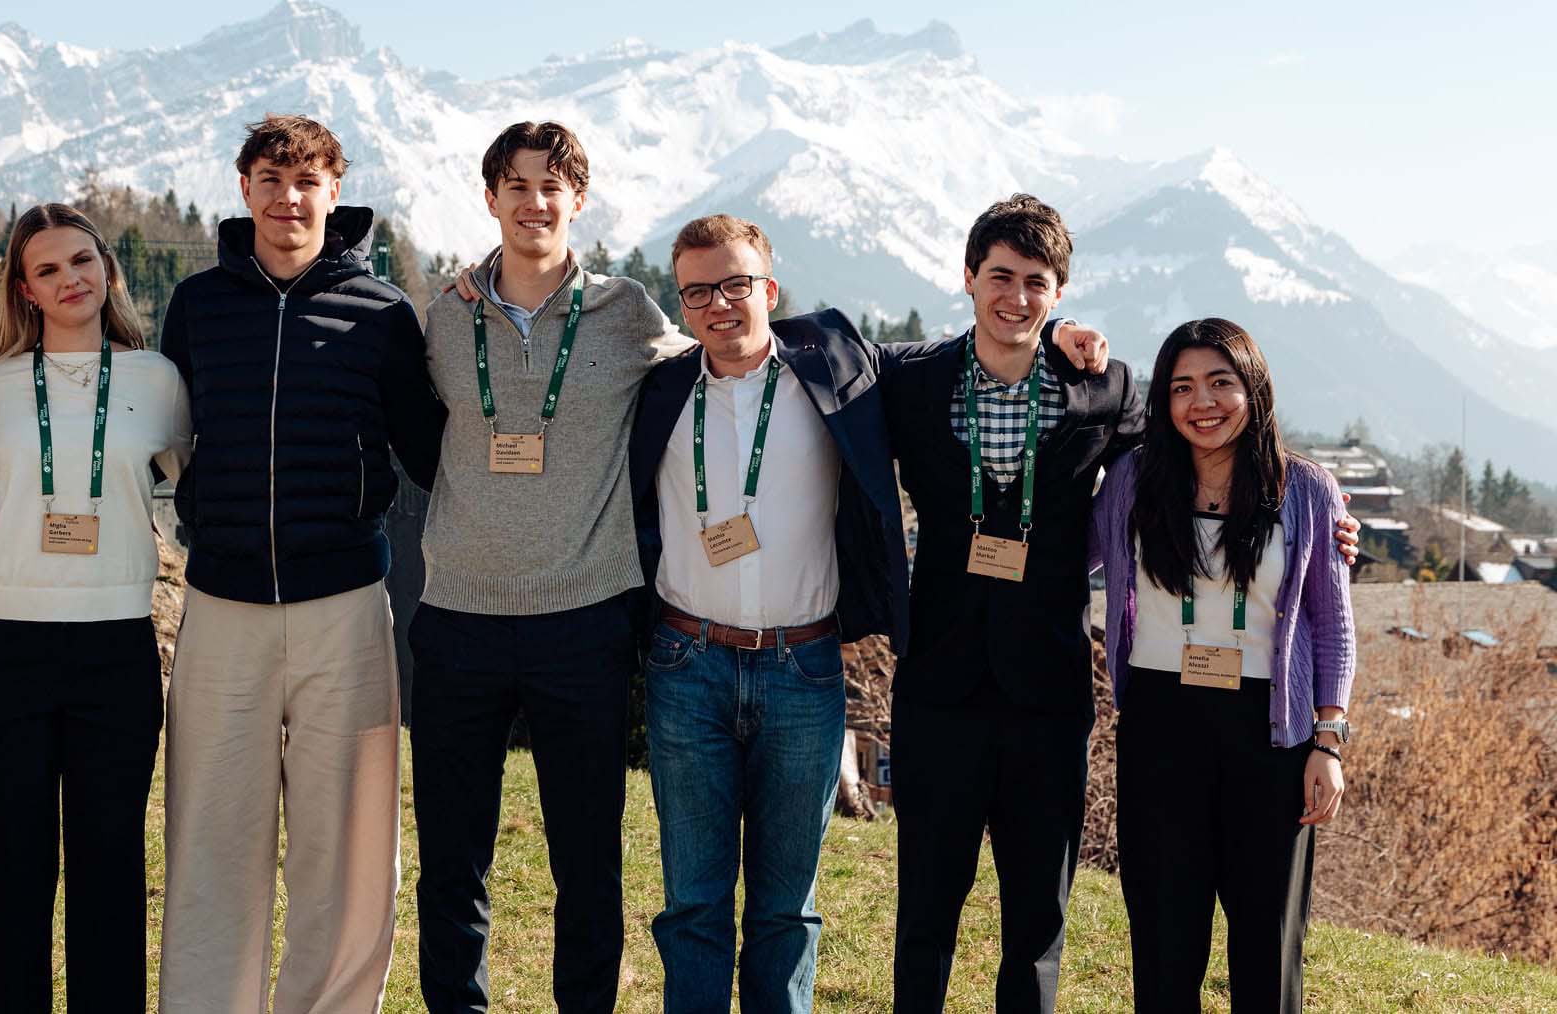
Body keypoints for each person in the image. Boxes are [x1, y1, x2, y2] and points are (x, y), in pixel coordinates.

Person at [879, 195, 1359, 1013]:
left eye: (1037, 283)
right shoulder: (910, 377)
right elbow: (816, 348)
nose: (1017, 297)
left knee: (1044, 926)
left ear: (1059, 294)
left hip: (1058, 702)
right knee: (930, 914)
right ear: (968, 278)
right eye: (1000, 276)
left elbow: (1322, 608)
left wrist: (1331, 723)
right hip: (948, 691)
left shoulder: (1109, 391)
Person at [627, 214, 1107, 1014]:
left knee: (787, 909)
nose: (720, 304)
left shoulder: (838, 372)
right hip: (687, 666)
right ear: (682, 306)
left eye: (737, 284)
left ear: (770, 291)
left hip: (804, 670)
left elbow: (973, 353)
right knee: (693, 908)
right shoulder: (659, 389)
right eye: (699, 291)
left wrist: (1059, 332)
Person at [156, 114, 444, 1014]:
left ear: (335, 192)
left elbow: (435, 454)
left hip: (348, 607)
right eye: (272, 178)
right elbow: (163, 441)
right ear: (244, 190)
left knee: (350, 844)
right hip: (221, 606)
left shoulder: (385, 312)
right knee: (211, 837)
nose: (289, 197)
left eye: (308, 180)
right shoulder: (198, 306)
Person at [411, 119, 688, 1014]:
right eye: (518, 186)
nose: (536, 202)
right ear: (490, 198)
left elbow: (733, 352)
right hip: (456, 618)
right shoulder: (444, 314)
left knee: (587, 861)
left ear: (579, 200)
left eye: (552, 186)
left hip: (583, 618)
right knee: (453, 859)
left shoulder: (628, 312)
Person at [0, 202, 191, 1013]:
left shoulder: (158, 380)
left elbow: (197, 498)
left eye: (82, 262)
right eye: (47, 269)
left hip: (117, 647)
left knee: (110, 867)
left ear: (108, 271)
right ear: (23, 289)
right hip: (4, 651)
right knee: (12, 869)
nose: (69, 281)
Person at [1090, 318, 1354, 1012]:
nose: (1201, 402)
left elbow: (1332, 626)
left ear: (1253, 389)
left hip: (1271, 734)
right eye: (1182, 387)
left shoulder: (1306, 490)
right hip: (1159, 727)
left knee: (1267, 950)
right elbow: (1068, 555)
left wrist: (1330, 739)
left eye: (1219, 383)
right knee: (1164, 943)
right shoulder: (1133, 481)